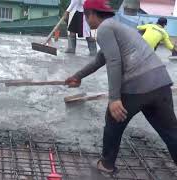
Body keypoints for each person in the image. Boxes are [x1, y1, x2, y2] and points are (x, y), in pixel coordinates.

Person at [65, 0, 177, 173]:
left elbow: (114, 61)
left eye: (86, 16)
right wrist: (78, 76)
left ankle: (107, 165)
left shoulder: (104, 29)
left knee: (113, 119)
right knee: (171, 132)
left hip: (137, 84)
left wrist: (115, 98)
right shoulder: (118, 27)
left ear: (92, 14)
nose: (86, 20)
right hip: (160, 82)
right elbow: (101, 58)